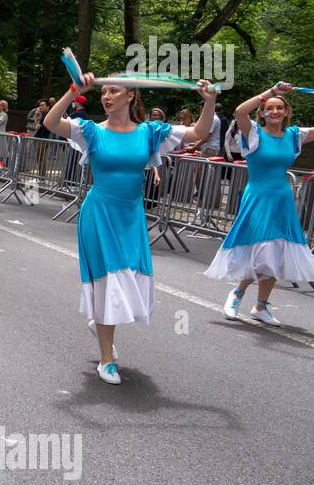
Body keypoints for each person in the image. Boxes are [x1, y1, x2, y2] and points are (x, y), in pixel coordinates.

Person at [44, 73, 217, 385]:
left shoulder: (150, 132)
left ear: (130, 96)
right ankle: (107, 358)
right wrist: (73, 90)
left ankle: (101, 324)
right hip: (99, 215)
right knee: (110, 282)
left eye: (114, 91)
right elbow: (51, 122)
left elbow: (197, 132)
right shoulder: (91, 132)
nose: (106, 96)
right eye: (104, 91)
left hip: (131, 215)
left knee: (127, 282)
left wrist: (210, 101)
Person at [206, 82, 314, 324]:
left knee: (276, 252)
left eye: (280, 108)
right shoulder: (254, 132)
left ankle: (260, 307)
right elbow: (239, 112)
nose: (275, 111)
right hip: (258, 197)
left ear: (287, 112)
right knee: (261, 250)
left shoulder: (294, 135)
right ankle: (237, 294)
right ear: (263, 112)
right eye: (270, 108)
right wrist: (271, 91)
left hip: (282, 198)